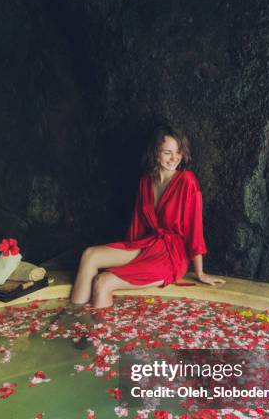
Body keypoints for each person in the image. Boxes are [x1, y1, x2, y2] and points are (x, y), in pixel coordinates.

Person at [70, 125, 225, 310]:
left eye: (178, 152)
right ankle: (71, 320)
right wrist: (127, 258)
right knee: (89, 255)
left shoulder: (187, 181)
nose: (175, 158)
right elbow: (138, 225)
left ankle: (92, 334)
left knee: (103, 282)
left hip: (171, 256)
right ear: (155, 153)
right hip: (147, 244)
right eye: (168, 152)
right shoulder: (146, 181)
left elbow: (195, 229)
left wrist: (200, 272)